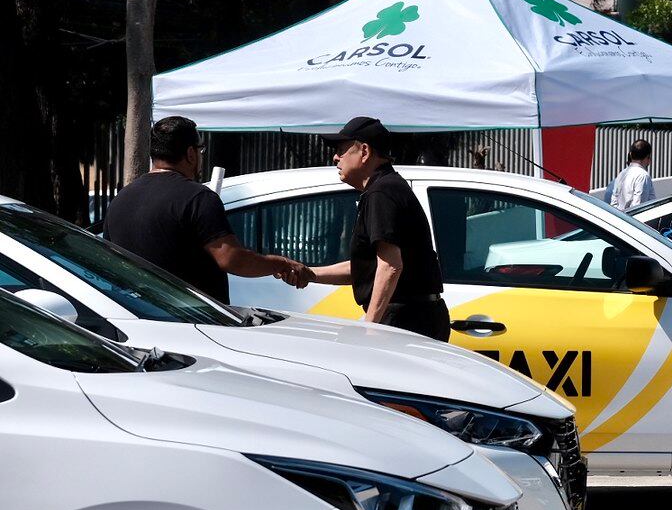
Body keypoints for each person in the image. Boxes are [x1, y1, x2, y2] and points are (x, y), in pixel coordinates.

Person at [105, 116, 307, 302]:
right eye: (200, 150)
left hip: (135, 316)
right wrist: (281, 263)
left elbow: (109, 261)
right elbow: (232, 259)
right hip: (191, 319)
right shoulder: (198, 197)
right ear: (190, 154)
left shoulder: (120, 200)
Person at [304, 117, 449, 341]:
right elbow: (370, 267)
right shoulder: (386, 187)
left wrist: (370, 328)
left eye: (341, 150)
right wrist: (310, 274)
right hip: (416, 317)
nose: (335, 158)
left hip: (405, 320)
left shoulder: (381, 193)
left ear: (364, 151)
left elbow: (390, 266)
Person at [606, 139, 656, 210]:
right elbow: (638, 206)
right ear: (648, 157)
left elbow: (614, 202)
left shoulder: (622, 174)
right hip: (633, 216)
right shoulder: (643, 176)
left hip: (619, 215)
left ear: (631, 155)